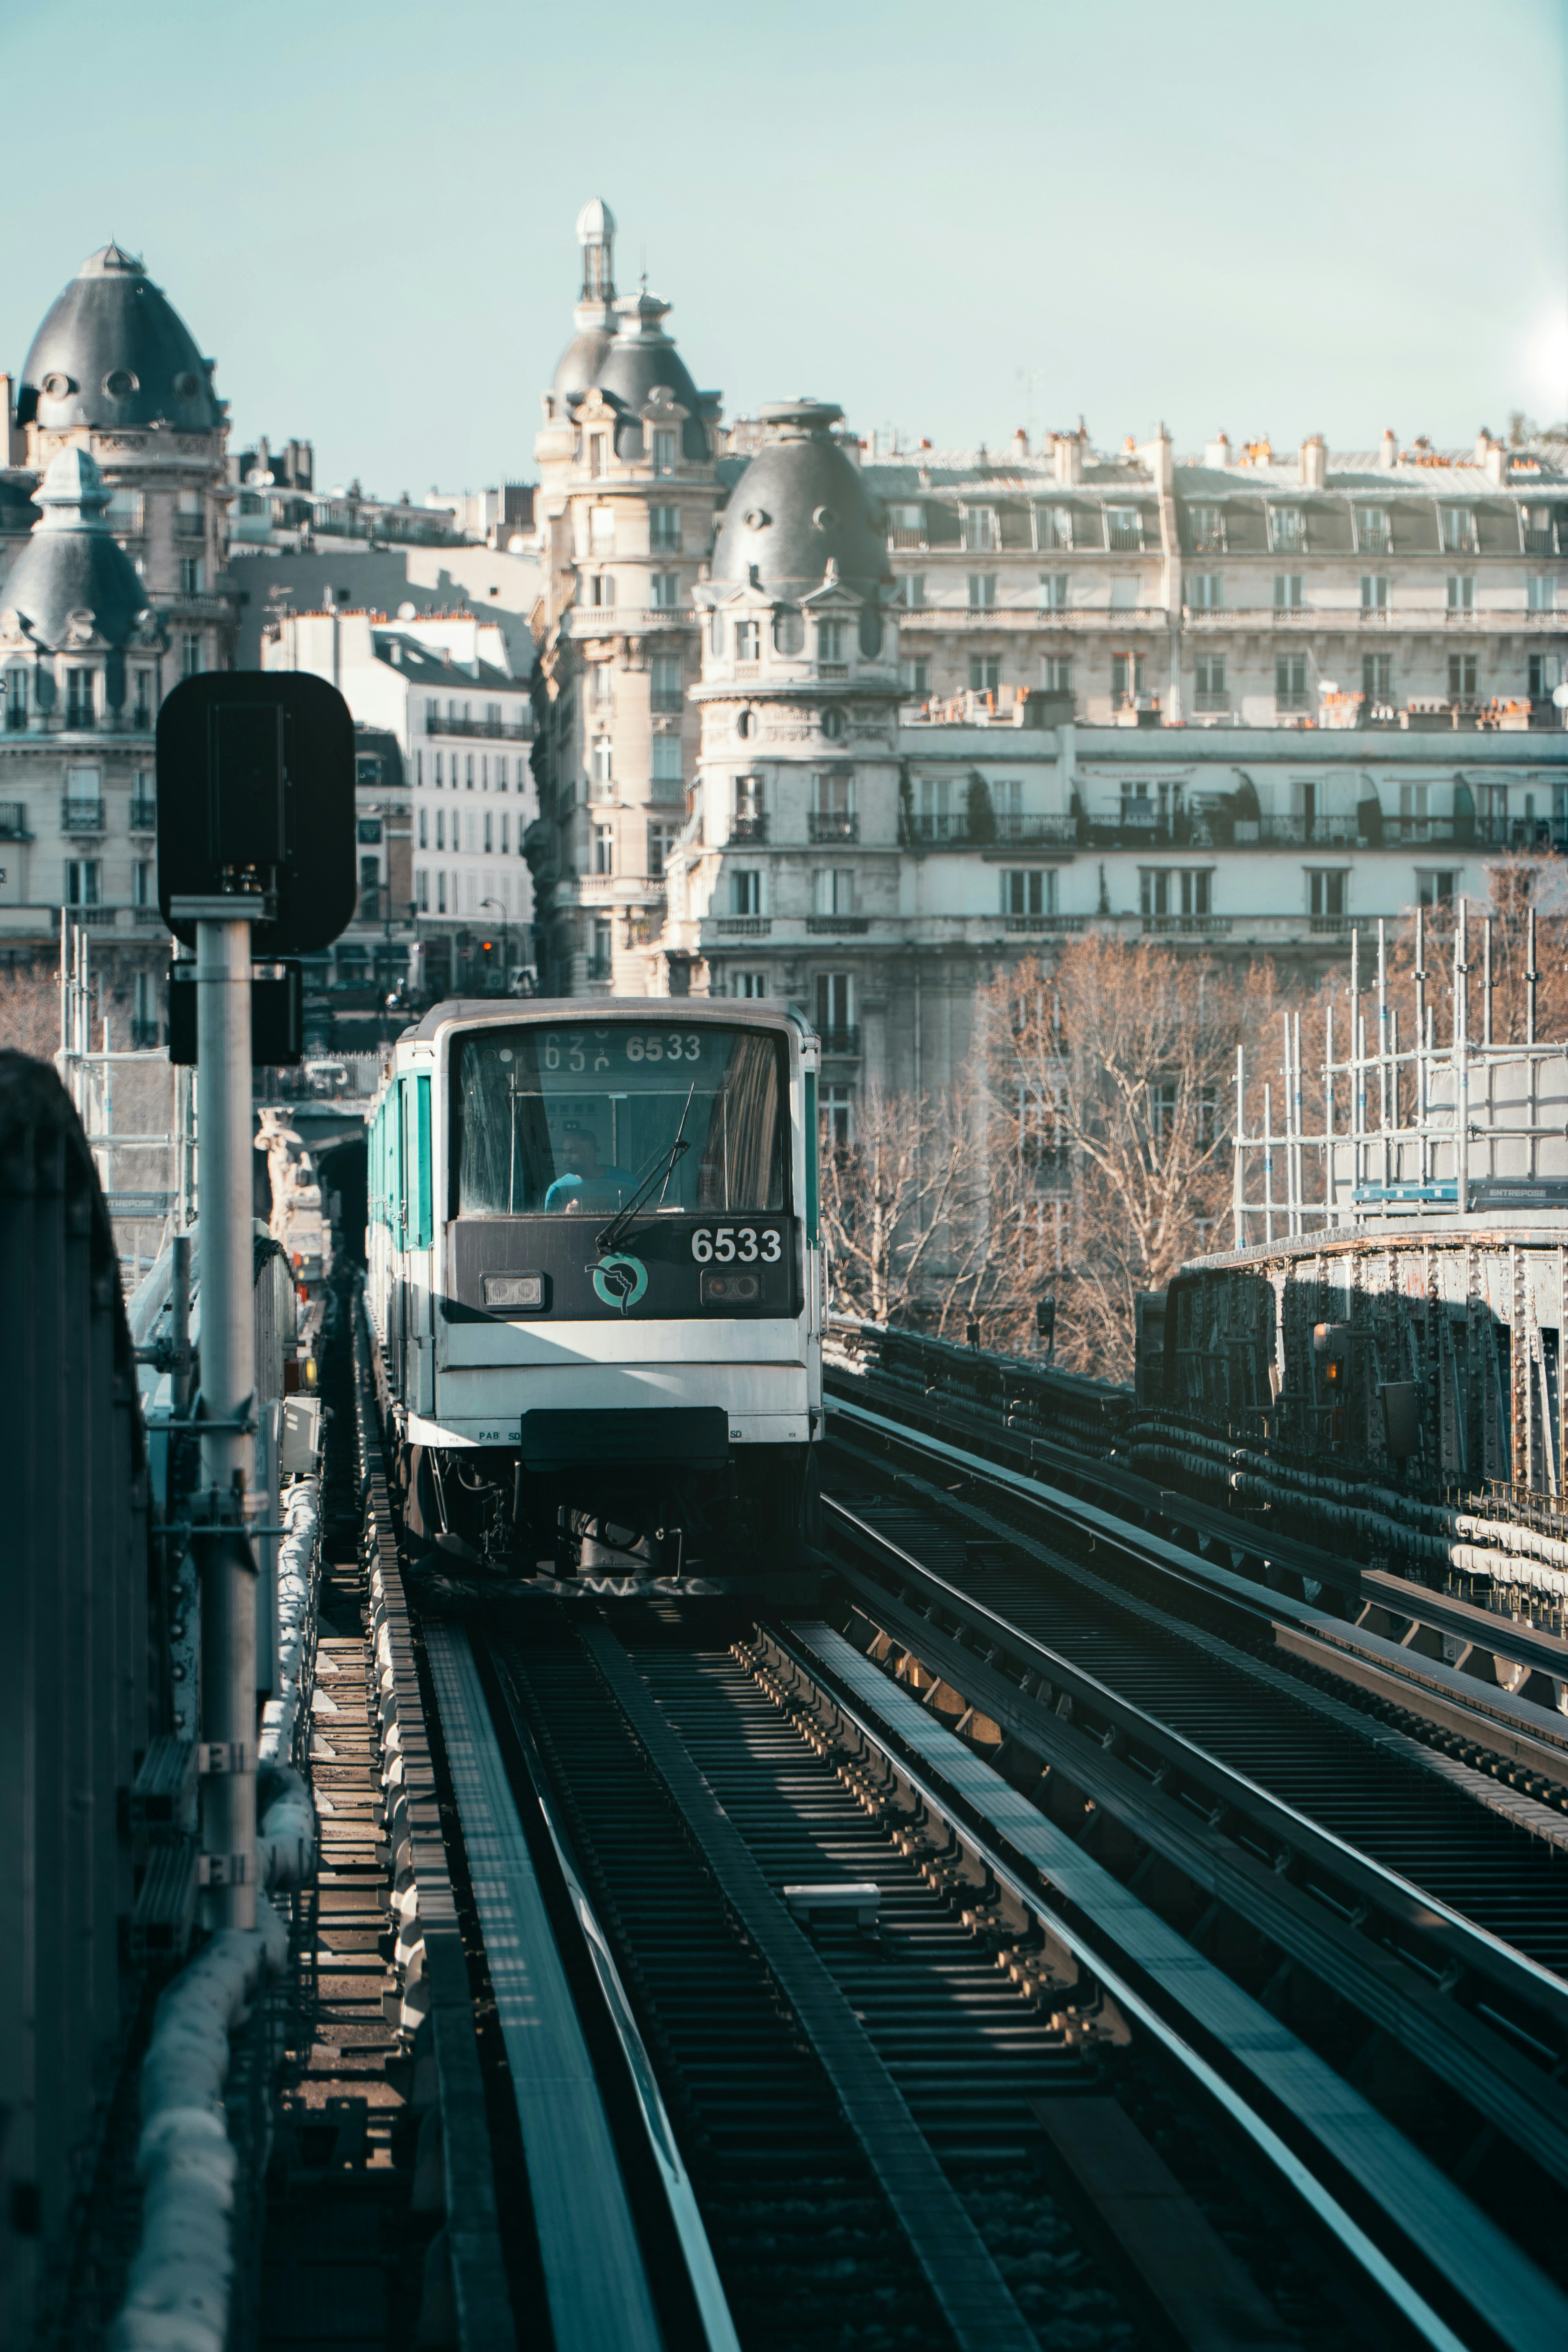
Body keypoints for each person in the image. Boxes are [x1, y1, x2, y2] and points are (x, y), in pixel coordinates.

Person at [543, 1127, 632, 1212]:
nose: (566, 1157)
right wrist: (567, 1216)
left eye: (573, 1152)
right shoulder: (558, 1190)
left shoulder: (625, 1181)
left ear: (591, 1153)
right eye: (565, 1152)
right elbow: (549, 1223)